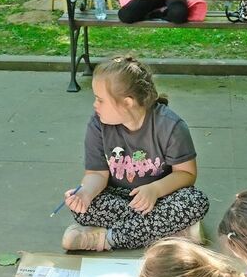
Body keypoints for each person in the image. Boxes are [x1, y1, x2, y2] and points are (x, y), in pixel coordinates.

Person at [62, 56, 209, 252]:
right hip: (120, 197)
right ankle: (176, 231)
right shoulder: (98, 124)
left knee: (195, 202)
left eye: (100, 99)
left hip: (161, 197)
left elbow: (186, 174)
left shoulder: (170, 125)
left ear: (128, 102)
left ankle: (105, 239)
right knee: (83, 209)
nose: (95, 105)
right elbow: (96, 174)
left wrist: (154, 190)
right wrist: (85, 193)